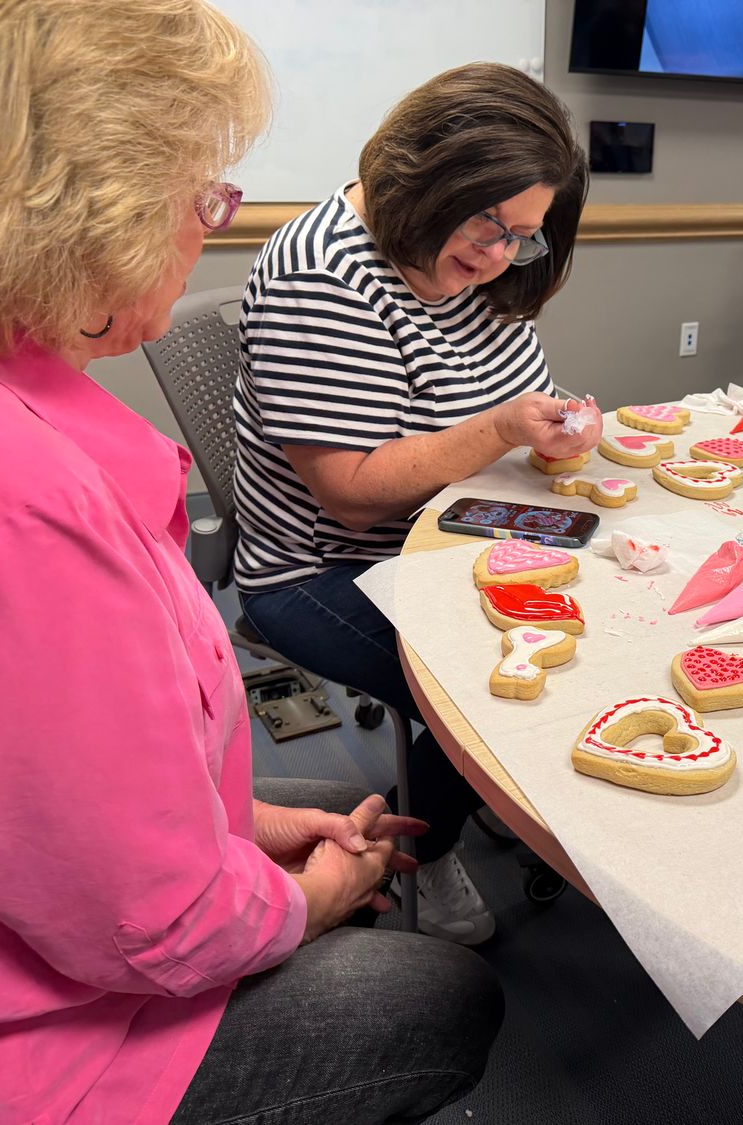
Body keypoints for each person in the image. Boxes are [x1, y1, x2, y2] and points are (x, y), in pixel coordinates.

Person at [0, 2, 500, 1122]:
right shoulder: (3, 494)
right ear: (69, 215)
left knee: (337, 801)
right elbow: (145, 920)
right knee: (439, 991)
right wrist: (309, 903)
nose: (208, 223)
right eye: (200, 194)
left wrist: (232, 822)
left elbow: (35, 772)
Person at [233, 63, 599, 945]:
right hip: (321, 566)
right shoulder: (322, 273)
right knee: (496, 696)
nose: (496, 255)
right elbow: (352, 495)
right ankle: (414, 851)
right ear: (422, 177)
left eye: (522, 235)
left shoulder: (485, 266)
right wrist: (505, 429)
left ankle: (492, 789)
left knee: (592, 641)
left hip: (446, 540)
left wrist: (551, 430)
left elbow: (512, 407)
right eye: (486, 222)